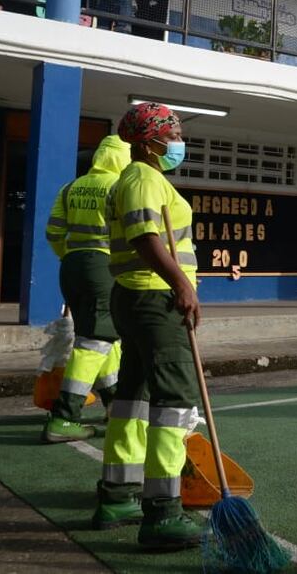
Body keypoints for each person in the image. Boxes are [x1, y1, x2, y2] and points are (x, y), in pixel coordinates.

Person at [92, 102, 203, 549]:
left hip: (137, 298)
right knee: (174, 399)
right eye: (172, 133)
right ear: (147, 141)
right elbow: (144, 237)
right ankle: (162, 513)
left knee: (132, 399)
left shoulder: (141, 178)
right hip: (154, 300)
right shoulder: (142, 178)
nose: (178, 141)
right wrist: (182, 285)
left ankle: (118, 495)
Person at [41, 134, 131, 443]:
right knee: (95, 341)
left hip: (71, 265)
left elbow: (53, 232)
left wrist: (70, 256)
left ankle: (115, 404)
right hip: (103, 267)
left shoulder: (71, 188)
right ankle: (65, 417)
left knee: (103, 337)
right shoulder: (120, 187)